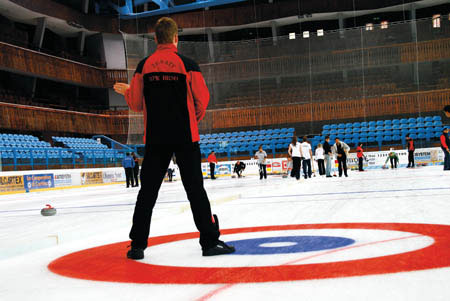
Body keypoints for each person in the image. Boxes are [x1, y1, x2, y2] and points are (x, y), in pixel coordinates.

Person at [113, 17, 234, 260]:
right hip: (185, 136)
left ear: (155, 39)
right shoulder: (188, 64)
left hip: (156, 139)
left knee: (147, 192)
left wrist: (128, 91)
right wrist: (191, 120)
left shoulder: (144, 66)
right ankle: (209, 242)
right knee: (195, 190)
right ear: (176, 38)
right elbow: (203, 100)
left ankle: (137, 245)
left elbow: (136, 103)